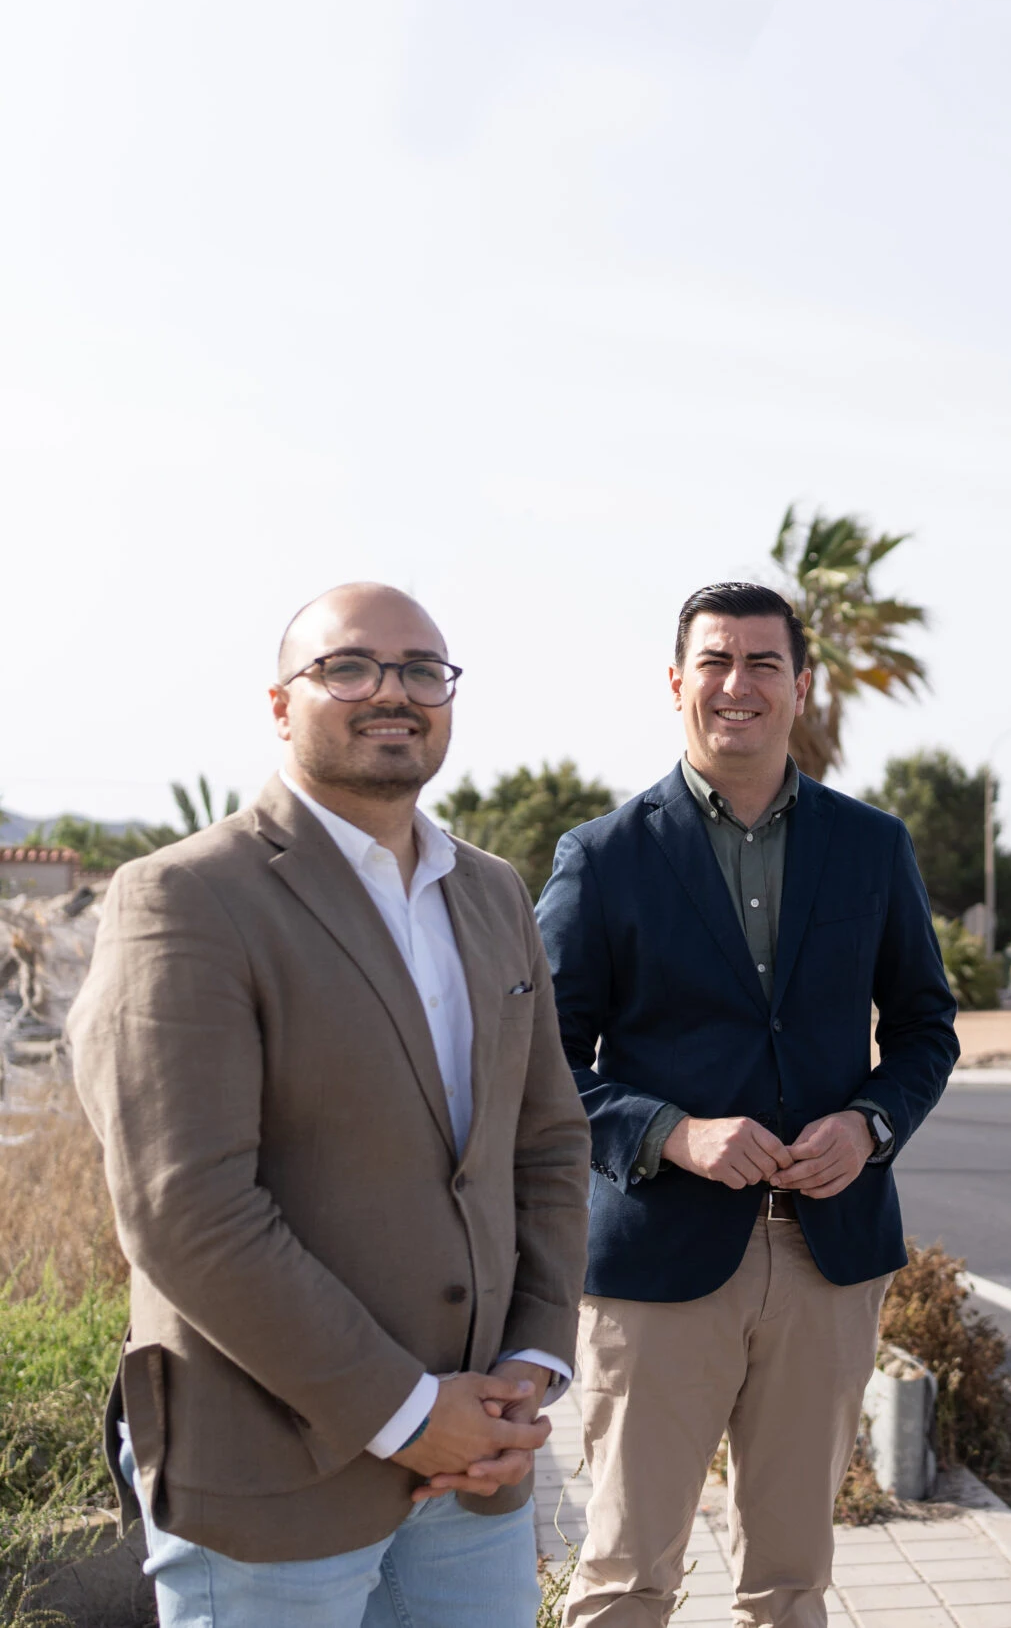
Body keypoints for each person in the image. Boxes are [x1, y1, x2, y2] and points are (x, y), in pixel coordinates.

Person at [69, 583, 591, 1627]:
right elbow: (187, 1209)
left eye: (421, 671)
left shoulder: (491, 892)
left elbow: (545, 1144)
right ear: (280, 705)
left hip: (477, 1467)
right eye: (347, 666)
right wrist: (404, 1413)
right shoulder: (184, 895)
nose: (390, 692)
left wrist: (531, 1364)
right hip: (271, 1473)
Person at [541, 581, 960, 1628]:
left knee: (792, 1586)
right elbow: (537, 1059)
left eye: (762, 664)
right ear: (676, 682)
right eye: (716, 662)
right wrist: (669, 1132)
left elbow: (923, 1028)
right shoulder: (602, 856)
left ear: (801, 686)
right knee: (627, 1578)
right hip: (656, 1269)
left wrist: (869, 1126)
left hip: (827, 1260)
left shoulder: (872, 846)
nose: (738, 685)